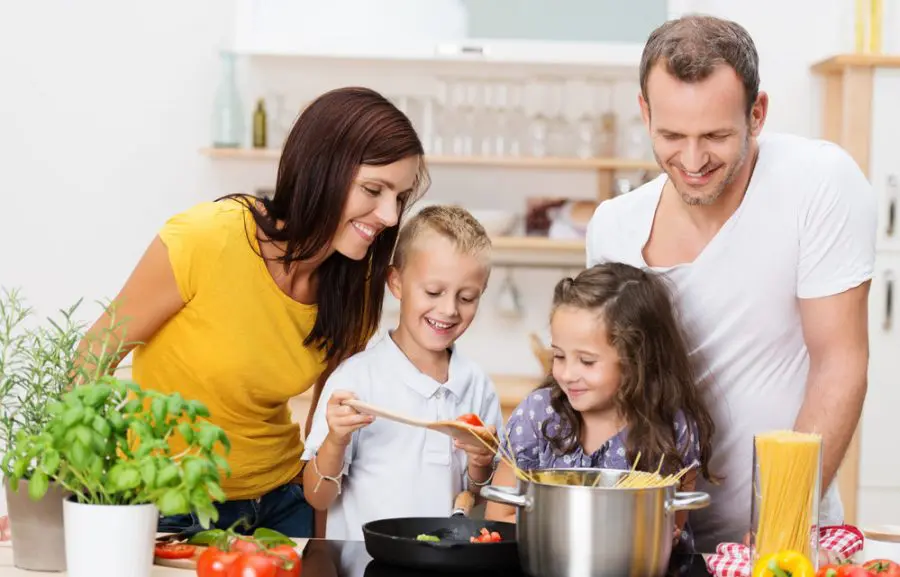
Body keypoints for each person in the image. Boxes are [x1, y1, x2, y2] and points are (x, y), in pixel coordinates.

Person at [0, 87, 429, 539]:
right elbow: (93, 355)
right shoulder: (207, 238)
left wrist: (319, 538)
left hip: (284, 503)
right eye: (373, 190)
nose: (388, 214)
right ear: (321, 171)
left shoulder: (354, 283)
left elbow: (324, 422)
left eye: (399, 197)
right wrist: (50, 497)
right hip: (171, 507)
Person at [584, 15, 876, 550]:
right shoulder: (613, 227)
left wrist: (774, 536)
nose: (692, 161)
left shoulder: (817, 183)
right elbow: (611, 395)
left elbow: (840, 363)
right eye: (672, 135)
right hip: (652, 542)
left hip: (786, 534)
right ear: (645, 112)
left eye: (716, 136)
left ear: (757, 113)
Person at [301, 205, 504, 541]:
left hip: (443, 564)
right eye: (433, 292)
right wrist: (336, 439)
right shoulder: (356, 380)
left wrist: (481, 463)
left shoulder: (477, 384)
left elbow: (478, 498)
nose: (449, 309)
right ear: (396, 282)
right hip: (365, 566)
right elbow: (317, 497)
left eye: (467, 297)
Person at [484, 263, 717, 552]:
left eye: (587, 361)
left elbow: (670, 531)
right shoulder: (538, 414)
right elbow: (499, 516)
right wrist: (588, 537)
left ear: (636, 359)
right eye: (559, 356)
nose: (567, 373)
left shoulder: (673, 428)